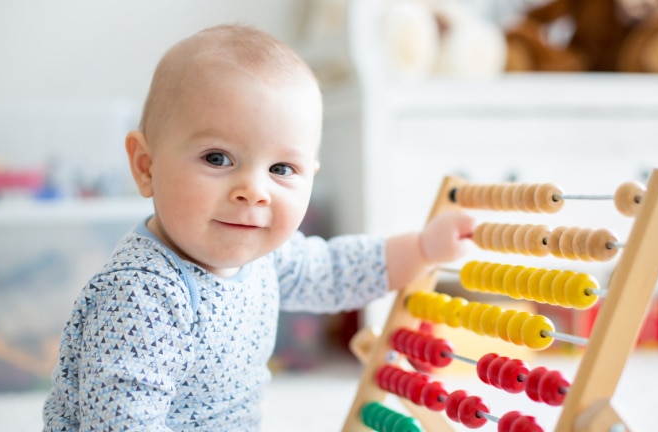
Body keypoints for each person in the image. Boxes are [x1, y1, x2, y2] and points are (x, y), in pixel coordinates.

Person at [42, 24, 475, 431]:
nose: (253, 191)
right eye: (217, 158)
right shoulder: (143, 294)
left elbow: (335, 269)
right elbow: (122, 422)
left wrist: (422, 248)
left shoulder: (266, 256)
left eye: (282, 168)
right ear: (146, 166)